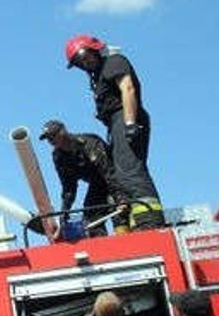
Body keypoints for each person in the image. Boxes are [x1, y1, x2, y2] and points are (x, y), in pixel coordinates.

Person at [64, 34, 164, 231]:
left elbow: (128, 88)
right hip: (115, 123)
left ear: (95, 49)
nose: (84, 62)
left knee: (130, 171)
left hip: (125, 117)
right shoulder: (98, 74)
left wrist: (129, 123)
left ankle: (150, 222)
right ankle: (134, 222)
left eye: (85, 56)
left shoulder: (114, 62)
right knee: (121, 175)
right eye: (78, 61)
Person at [39, 119, 127, 236]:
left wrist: (121, 199)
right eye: (48, 138)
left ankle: (125, 239)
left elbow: (108, 172)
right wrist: (63, 217)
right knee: (90, 215)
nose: (51, 140)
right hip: (97, 183)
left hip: (117, 178)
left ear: (63, 131)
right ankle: (100, 246)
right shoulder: (59, 157)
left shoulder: (89, 143)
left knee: (117, 211)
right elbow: (68, 188)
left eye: (53, 135)